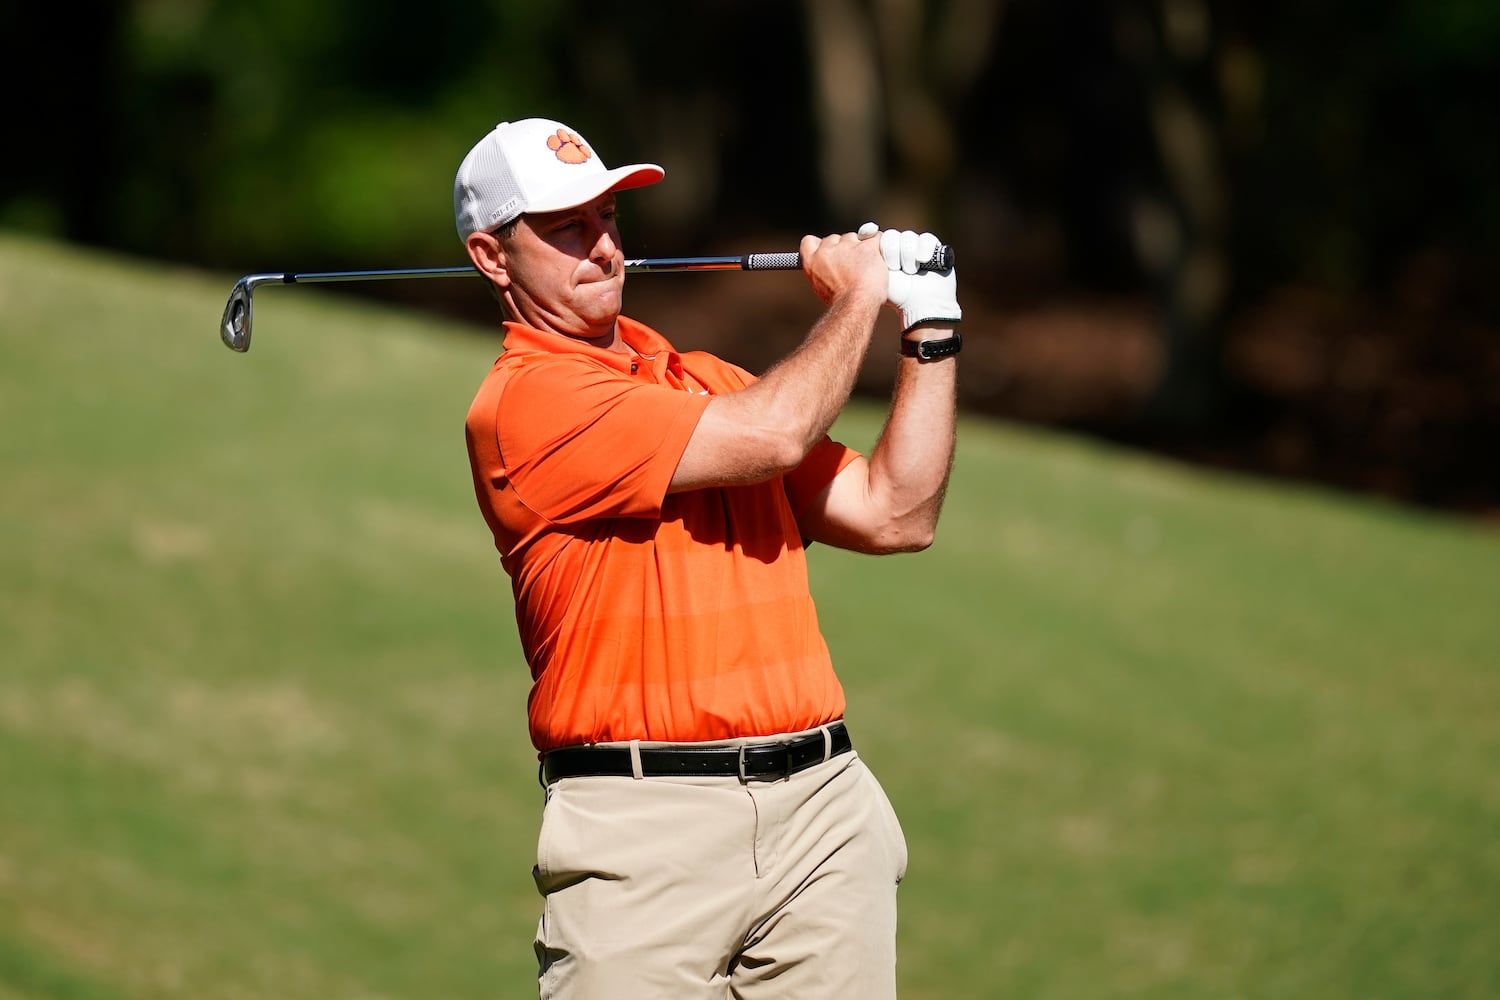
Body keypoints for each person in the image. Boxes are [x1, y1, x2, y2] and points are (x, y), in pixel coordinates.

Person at [455, 117, 961, 999]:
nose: (602, 246)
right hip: (643, 833)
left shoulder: (710, 382)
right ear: (493, 259)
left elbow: (896, 512)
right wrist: (855, 298)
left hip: (822, 816)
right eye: (566, 227)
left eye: (609, 217)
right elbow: (771, 434)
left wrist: (930, 327)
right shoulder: (525, 405)